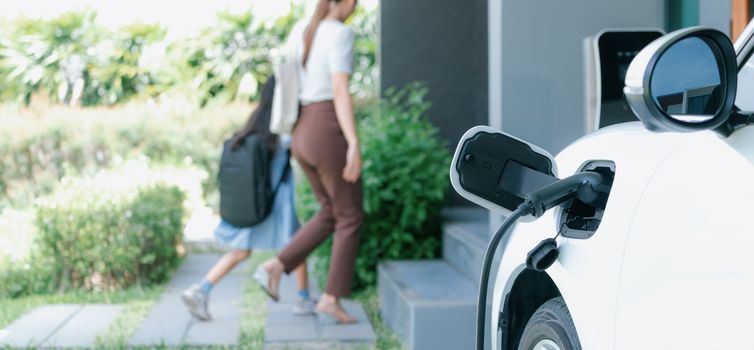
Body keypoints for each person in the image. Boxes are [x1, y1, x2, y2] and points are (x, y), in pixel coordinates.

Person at [255, 0, 363, 324]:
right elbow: (339, 90)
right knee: (351, 215)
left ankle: (275, 266)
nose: (355, 7)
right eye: (354, 1)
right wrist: (354, 142)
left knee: (331, 212)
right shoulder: (339, 34)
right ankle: (330, 298)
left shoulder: (301, 30)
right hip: (327, 127)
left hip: (302, 130)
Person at [181, 77, 314, 321]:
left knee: (241, 251)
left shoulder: (256, 121)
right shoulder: (284, 127)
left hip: (256, 200)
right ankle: (303, 299)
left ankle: (201, 289)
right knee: (298, 245)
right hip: (276, 200)